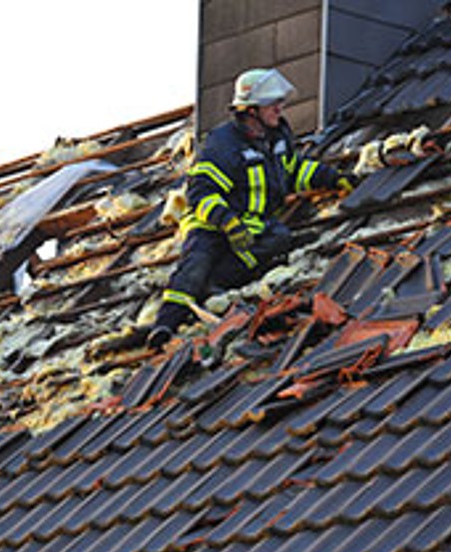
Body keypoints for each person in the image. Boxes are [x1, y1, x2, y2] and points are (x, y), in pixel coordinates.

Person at [148, 68, 356, 350]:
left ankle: (215, 284)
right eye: (273, 104)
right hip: (210, 223)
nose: (280, 109)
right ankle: (164, 326)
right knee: (195, 266)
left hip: (252, 223)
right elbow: (201, 194)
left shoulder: (278, 135)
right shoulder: (223, 144)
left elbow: (292, 172)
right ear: (251, 110)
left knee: (279, 239)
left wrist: (333, 178)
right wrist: (227, 222)